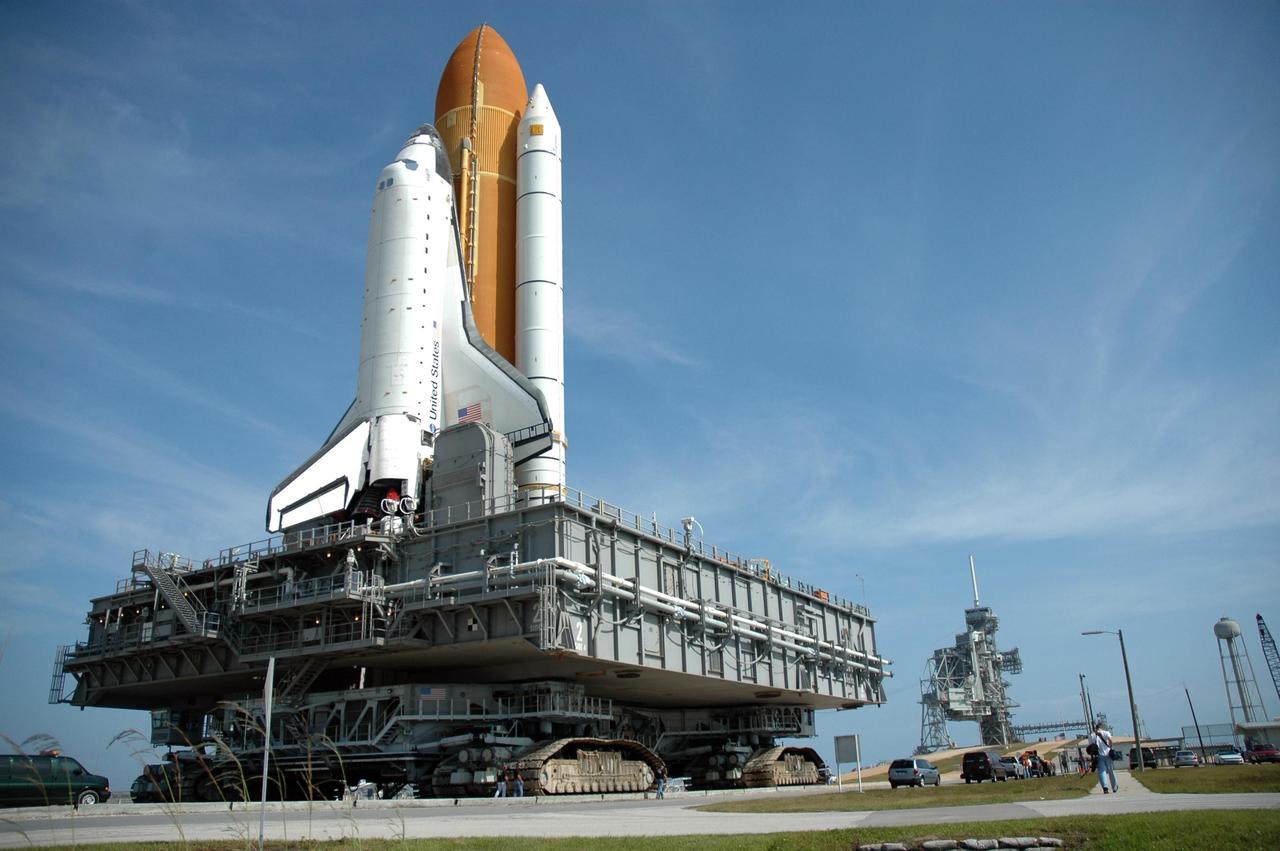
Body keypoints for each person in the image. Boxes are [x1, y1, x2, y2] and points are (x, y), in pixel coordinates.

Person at [1089, 723, 1118, 794]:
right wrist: (1111, 747)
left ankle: (1105, 787)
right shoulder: (1106, 732)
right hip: (1108, 754)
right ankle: (1114, 787)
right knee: (1111, 771)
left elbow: (1091, 747)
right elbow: (1110, 740)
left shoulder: (1092, 736)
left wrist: (1092, 757)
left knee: (1102, 771)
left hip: (1099, 755)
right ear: (1101, 727)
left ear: (1095, 728)